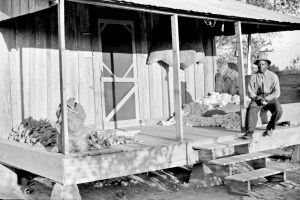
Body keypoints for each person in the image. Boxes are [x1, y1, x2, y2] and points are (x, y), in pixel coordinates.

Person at [242, 53, 283, 140]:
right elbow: (250, 91)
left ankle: (270, 127)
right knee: (252, 106)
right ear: (257, 65)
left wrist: (267, 99)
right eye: (259, 64)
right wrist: (257, 98)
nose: (260, 66)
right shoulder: (253, 76)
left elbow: (277, 93)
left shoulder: (273, 76)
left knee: (278, 110)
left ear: (267, 65)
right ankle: (249, 132)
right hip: (258, 97)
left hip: (270, 97)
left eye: (263, 64)